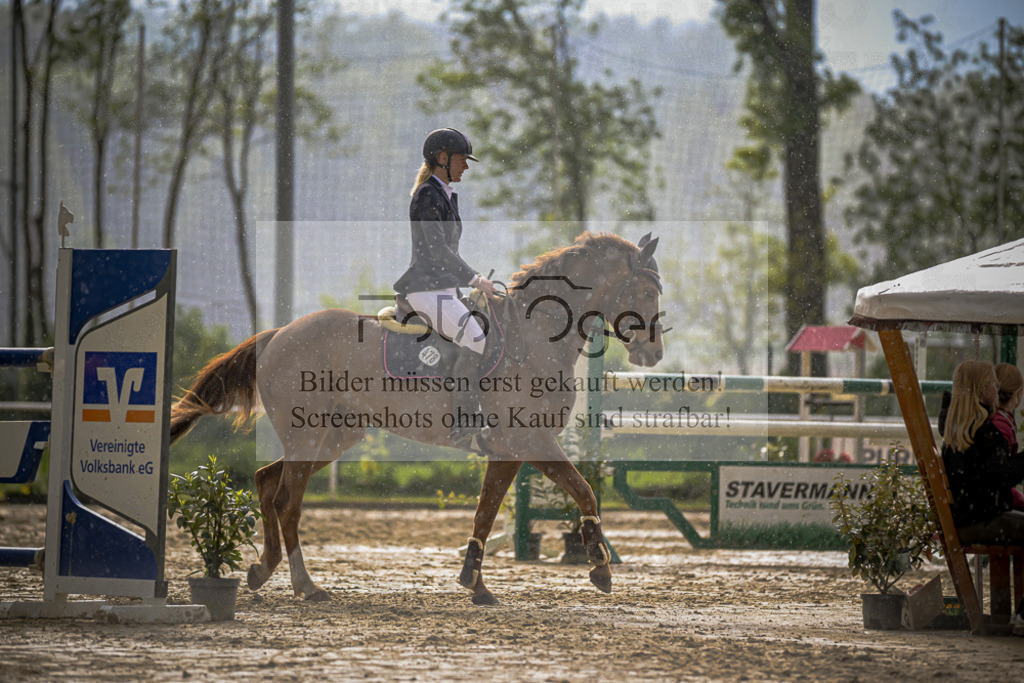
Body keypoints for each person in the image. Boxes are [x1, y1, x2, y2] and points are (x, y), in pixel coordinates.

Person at [393, 127, 496, 450]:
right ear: (442, 158)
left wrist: (466, 284)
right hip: (425, 290)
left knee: (487, 326)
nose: (466, 167)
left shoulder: (444, 195)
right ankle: (464, 423)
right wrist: (474, 278)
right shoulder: (428, 195)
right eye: (462, 160)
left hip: (443, 289)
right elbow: (437, 250)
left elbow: (447, 252)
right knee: (476, 337)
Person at [941, 359, 1024, 545]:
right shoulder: (981, 431)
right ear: (983, 388)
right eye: (994, 384)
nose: (997, 390)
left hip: (967, 520)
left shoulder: (960, 428)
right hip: (980, 522)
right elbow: (1002, 475)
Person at [993, 363, 1024, 509]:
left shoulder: (991, 419)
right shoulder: (1001, 426)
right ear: (1019, 393)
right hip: (995, 508)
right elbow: (1001, 477)